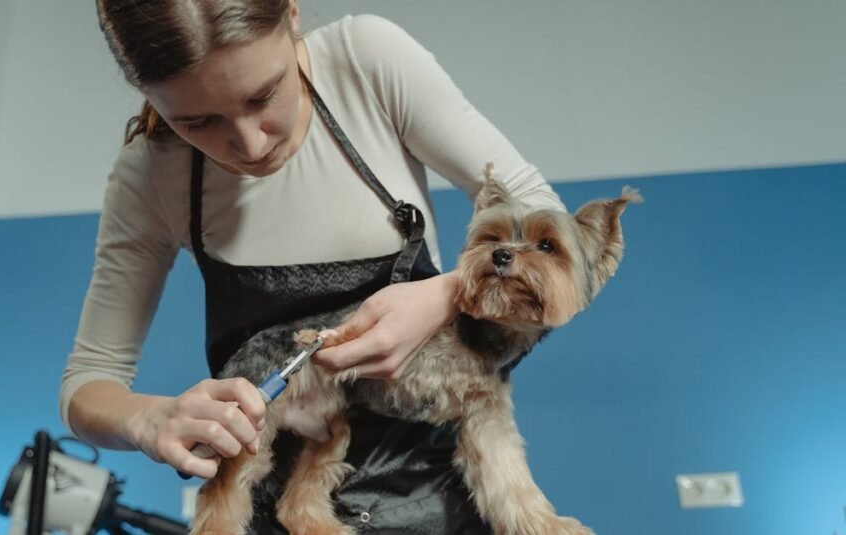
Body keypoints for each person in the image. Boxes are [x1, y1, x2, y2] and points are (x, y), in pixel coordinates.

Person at [62, 0, 565, 532]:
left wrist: (445, 294)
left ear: (293, 16)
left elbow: (543, 213)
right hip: (280, 508)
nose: (249, 144)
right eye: (197, 122)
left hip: (436, 499)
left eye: (263, 95)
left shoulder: (366, 63)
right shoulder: (150, 174)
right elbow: (89, 380)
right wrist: (149, 419)